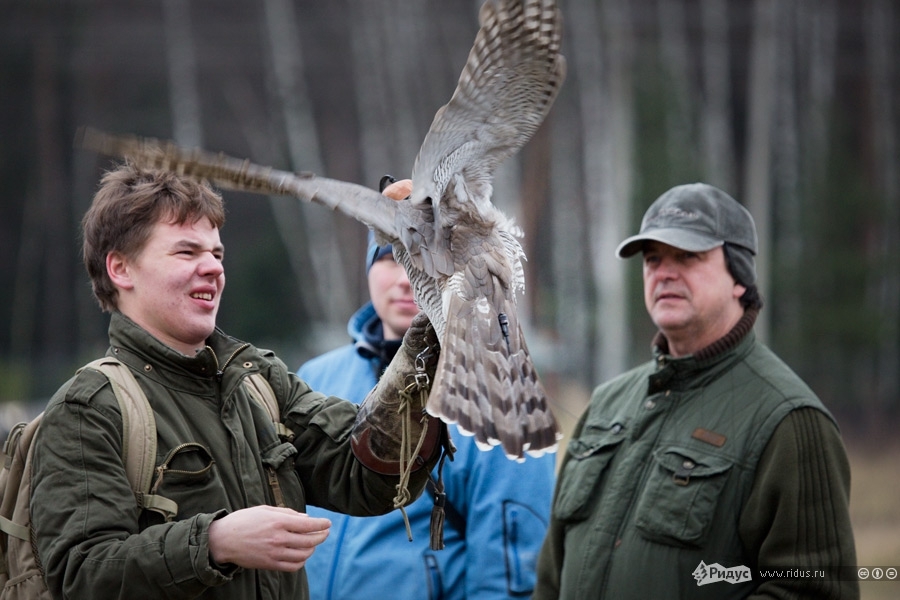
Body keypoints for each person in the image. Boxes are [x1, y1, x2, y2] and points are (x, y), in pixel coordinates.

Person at [29, 163, 445, 600]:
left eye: (217, 254)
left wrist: (429, 345)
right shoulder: (88, 409)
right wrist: (215, 543)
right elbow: (81, 575)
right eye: (187, 252)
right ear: (120, 269)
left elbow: (365, 474)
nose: (212, 268)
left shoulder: (259, 381)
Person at [533, 183, 858, 599]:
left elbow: (813, 592)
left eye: (687, 256)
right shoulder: (607, 403)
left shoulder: (790, 422)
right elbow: (550, 578)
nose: (664, 272)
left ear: (739, 278)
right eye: (653, 259)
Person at [298, 178, 555, 600]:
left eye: (428, 258)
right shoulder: (315, 377)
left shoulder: (496, 390)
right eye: (391, 258)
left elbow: (511, 569)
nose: (407, 277)